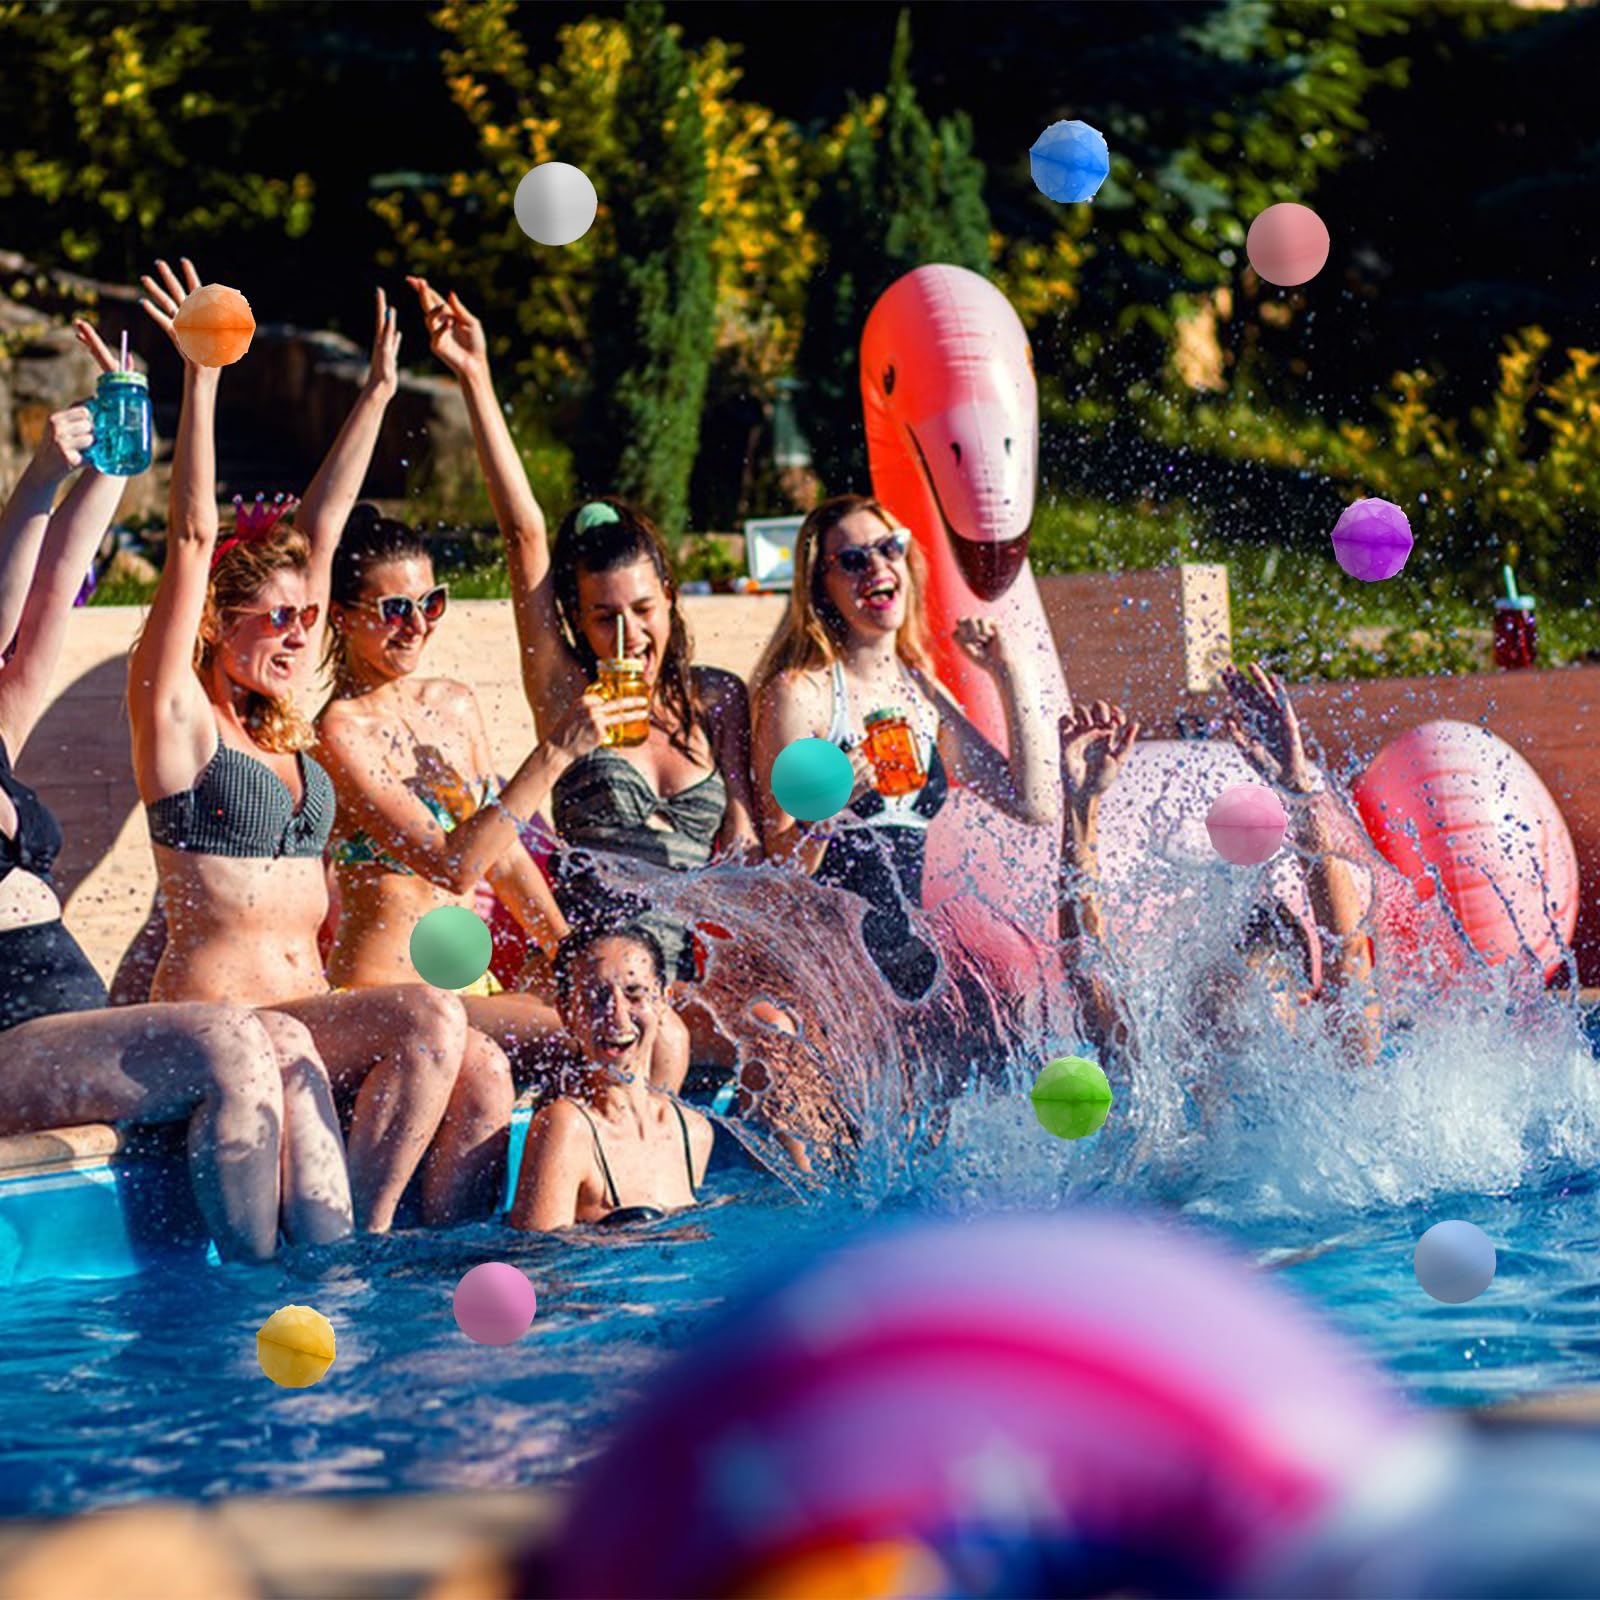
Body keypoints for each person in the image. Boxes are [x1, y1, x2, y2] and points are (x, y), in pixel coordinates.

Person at [122, 255, 513, 1230]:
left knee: (469, 1059)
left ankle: (407, 1257)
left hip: (306, 1022)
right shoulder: (177, 721)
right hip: (228, 1025)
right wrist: (202, 379)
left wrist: (379, 393)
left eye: (310, 619)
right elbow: (187, 539)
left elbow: (321, 531)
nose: (302, 634)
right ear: (217, 625)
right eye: (276, 620)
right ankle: (378, 1250)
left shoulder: (287, 726)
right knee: (428, 1015)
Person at [0, 370, 352, 1260]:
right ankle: (249, 1297)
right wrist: (41, 482)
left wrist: (90, 459)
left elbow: (45, 602)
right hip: (10, 1045)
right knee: (238, 1034)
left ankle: (336, 1281)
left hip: (69, 1028)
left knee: (283, 1038)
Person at [406, 275, 770, 1075]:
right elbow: (522, 536)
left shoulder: (718, 699)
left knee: (785, 1031)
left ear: (670, 597)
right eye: (602, 616)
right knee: (660, 1037)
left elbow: (745, 833)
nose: (627, 635)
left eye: (642, 609)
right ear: (575, 620)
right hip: (600, 980)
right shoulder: (568, 695)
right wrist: (475, 377)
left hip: (689, 976)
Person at [749, 494, 1058, 1002]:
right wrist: (830, 808)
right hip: (834, 965)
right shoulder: (802, 693)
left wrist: (1009, 673)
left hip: (910, 960)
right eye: (851, 561)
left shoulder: (924, 695)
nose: (875, 566)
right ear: (822, 588)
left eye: (888, 548)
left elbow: (1034, 804)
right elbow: (779, 862)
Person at [315, 502, 577, 1086]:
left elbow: (502, 855)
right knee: (581, 1033)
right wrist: (556, 752)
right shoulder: (339, 733)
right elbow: (452, 866)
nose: (418, 626)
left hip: (471, 987)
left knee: (626, 1019)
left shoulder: (454, 704)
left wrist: (568, 953)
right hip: (389, 991)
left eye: (431, 603)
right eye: (394, 610)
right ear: (341, 617)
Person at [1056, 664, 1381, 1079]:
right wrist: (1082, 807)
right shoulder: (1162, 1075)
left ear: (1303, 1000)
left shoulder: (1335, 1067)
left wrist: (1298, 793)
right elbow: (1085, 965)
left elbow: (1347, 949)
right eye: (1205, 1012)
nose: (1219, 1027)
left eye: (1238, 1009)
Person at [509, 925, 713, 1232]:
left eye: (634, 993)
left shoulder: (693, 1133)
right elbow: (537, 1264)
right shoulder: (566, 1129)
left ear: (662, 1001)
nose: (616, 1014)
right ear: (567, 1013)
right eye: (595, 996)